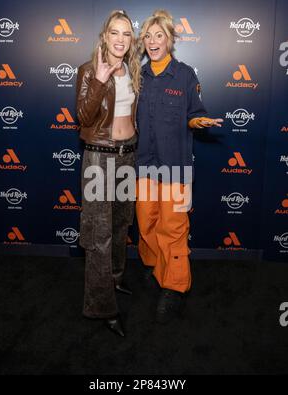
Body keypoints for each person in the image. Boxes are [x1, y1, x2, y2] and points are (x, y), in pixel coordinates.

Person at [136, 10, 223, 324]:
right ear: (143, 42)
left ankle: (174, 286)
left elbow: (194, 112)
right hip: (143, 166)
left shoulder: (185, 75)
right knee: (146, 225)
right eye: (148, 36)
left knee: (173, 230)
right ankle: (155, 269)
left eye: (160, 36)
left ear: (170, 40)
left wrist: (198, 120)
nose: (154, 41)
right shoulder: (137, 75)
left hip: (175, 168)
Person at [76, 10, 140, 337]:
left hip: (127, 156)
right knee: (99, 235)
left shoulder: (132, 69)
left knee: (120, 223)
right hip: (99, 159)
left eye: (126, 34)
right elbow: (84, 117)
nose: (120, 39)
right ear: (105, 36)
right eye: (114, 33)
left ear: (131, 40)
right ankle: (102, 307)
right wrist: (100, 80)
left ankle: (114, 279)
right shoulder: (89, 71)